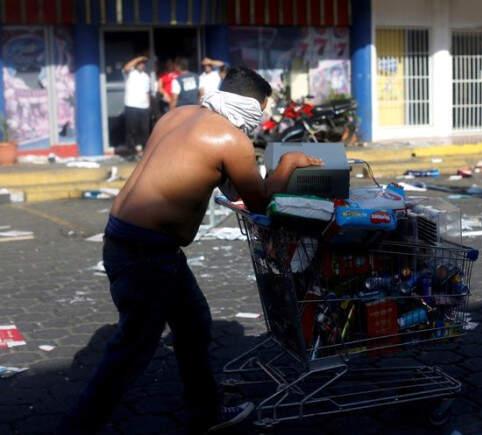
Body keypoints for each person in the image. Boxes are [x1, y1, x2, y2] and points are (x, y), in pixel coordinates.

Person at [58, 67, 322, 435]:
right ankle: (76, 427)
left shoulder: (178, 115)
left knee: (194, 324)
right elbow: (260, 202)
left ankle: (206, 411)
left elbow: (214, 178)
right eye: (262, 110)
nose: (262, 119)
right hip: (146, 254)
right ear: (250, 105)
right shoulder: (232, 141)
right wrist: (289, 163)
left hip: (132, 242)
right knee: (131, 351)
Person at [122, 55, 152, 155]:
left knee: (145, 130)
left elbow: (147, 92)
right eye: (139, 63)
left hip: (144, 107)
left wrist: (149, 107)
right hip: (131, 105)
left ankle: (145, 151)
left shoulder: (146, 76)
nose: (141, 65)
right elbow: (126, 67)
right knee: (131, 130)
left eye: (143, 64)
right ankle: (131, 152)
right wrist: (138, 59)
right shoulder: (130, 73)